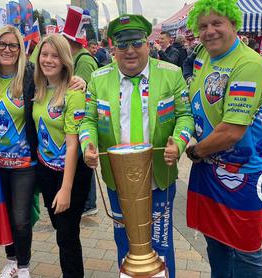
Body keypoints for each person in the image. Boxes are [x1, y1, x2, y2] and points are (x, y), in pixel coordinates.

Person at [79, 14, 194, 278]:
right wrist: (88, 145)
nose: (130, 50)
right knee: (127, 245)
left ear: (147, 44)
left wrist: (178, 142)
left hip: (159, 177)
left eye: (136, 43)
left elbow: (185, 115)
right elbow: (88, 121)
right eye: (122, 44)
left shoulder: (171, 74)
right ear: (113, 48)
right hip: (117, 180)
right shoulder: (98, 78)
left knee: (161, 246)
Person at [0, 26, 86, 278]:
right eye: (44, 55)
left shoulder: (30, 77)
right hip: (13, 165)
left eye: (13, 45)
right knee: (53, 228)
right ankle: (12, 261)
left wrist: (82, 80)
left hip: (32, 165)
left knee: (35, 223)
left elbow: (73, 142)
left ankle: (25, 266)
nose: (7, 49)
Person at [185, 1, 262, 277]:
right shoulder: (205, 57)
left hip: (242, 172)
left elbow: (233, 130)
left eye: (217, 23)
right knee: (215, 240)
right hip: (209, 168)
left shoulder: (247, 63)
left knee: (245, 250)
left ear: (234, 24)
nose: (209, 31)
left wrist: (195, 151)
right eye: (203, 26)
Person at [33, 34, 91, 278]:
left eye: (55, 55)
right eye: (44, 55)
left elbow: (72, 146)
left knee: (67, 236)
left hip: (72, 175)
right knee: (60, 229)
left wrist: (66, 188)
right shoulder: (37, 88)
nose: (48, 60)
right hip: (46, 171)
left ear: (65, 59)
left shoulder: (74, 92)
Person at [61, 5, 98, 217]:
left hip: (83, 120)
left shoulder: (83, 60)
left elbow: (86, 90)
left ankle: (89, 202)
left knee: (86, 158)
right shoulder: (77, 58)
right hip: (76, 120)